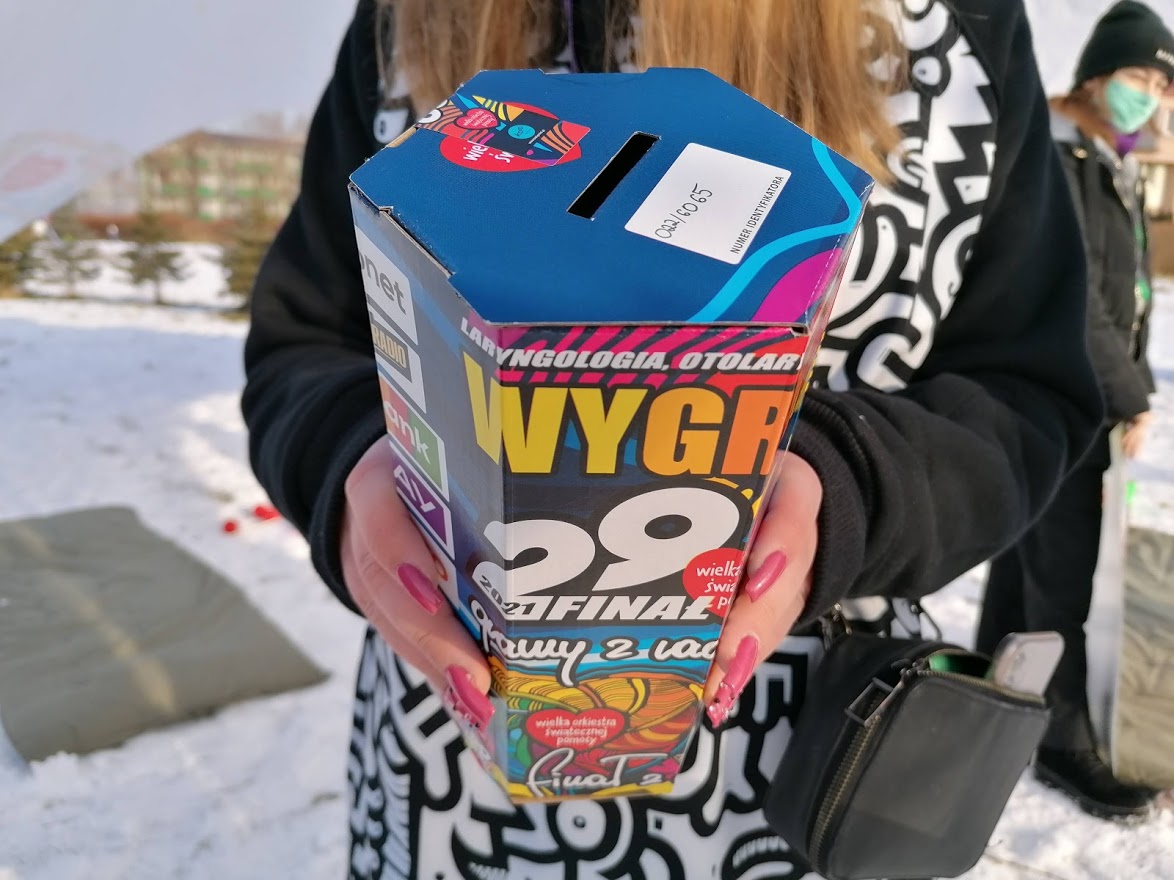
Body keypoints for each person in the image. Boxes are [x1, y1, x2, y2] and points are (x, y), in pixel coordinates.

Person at [243, 0, 1102, 875]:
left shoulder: (951, 33)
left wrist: (852, 487)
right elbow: (303, 338)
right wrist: (348, 462)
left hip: (803, 766)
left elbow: (1028, 392)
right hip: (456, 773)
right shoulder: (407, 21)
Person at [977, 0, 1171, 822]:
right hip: (1063, 393)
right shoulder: (1058, 155)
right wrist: (1133, 393)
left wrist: (1131, 379)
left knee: (1028, 558)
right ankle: (1060, 739)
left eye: (1161, 85)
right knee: (1064, 577)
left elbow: (1129, 295)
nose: (1148, 95)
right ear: (1095, 73)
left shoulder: (1106, 160)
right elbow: (1078, 294)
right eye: (1138, 75)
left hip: (1081, 395)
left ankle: (991, 687)